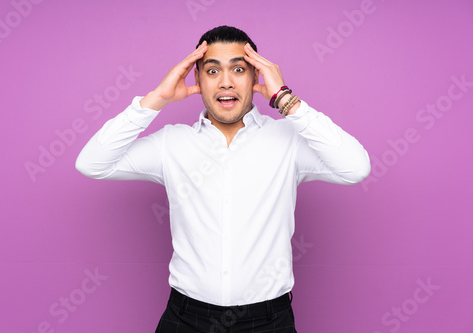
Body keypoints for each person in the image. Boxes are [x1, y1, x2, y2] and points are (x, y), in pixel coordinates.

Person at [76, 25, 370, 333]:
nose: (226, 82)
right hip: (186, 317)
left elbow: (355, 167)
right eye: (212, 71)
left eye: (239, 69)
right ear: (197, 80)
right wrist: (157, 98)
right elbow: (92, 163)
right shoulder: (171, 143)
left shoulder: (289, 140)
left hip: (269, 320)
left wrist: (287, 100)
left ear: (256, 78)